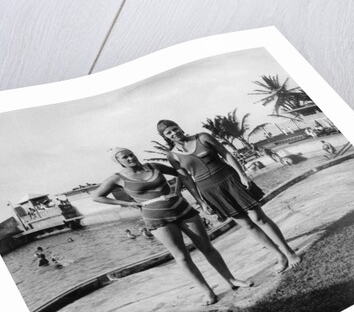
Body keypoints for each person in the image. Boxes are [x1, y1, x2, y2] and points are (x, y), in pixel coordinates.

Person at [93, 147, 253, 306]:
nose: (129, 158)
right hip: (156, 216)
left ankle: (232, 280)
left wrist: (176, 190)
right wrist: (126, 203)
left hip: (182, 208)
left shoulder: (153, 166)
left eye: (131, 154)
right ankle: (207, 291)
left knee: (207, 247)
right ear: (118, 162)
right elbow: (97, 196)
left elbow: (180, 172)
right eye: (124, 157)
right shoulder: (116, 178)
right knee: (182, 257)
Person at [157, 120, 302, 273]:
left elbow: (226, 154)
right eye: (169, 133)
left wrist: (242, 175)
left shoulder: (202, 138)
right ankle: (279, 255)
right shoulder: (172, 156)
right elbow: (186, 179)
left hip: (230, 179)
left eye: (175, 128)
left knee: (259, 218)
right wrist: (200, 201)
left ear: (180, 127)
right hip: (210, 191)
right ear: (165, 137)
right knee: (247, 225)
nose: (174, 133)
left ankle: (289, 252)